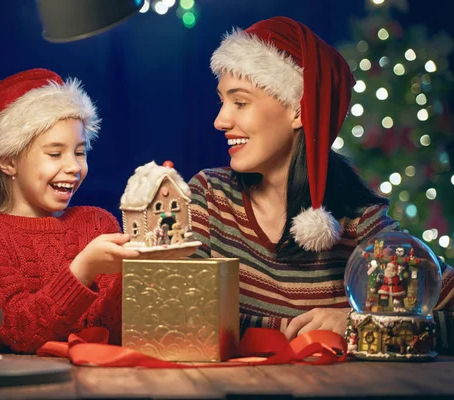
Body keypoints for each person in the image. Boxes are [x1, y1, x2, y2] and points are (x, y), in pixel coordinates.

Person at [187, 17, 454, 352]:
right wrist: (296, 333)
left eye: (240, 102)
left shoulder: (360, 224)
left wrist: (357, 325)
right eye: (222, 101)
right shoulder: (208, 199)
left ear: (299, 110)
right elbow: (184, 319)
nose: (220, 120)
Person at [0, 68, 140, 353]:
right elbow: (18, 331)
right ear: (8, 162)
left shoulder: (96, 224)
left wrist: (140, 273)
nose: (74, 167)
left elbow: (110, 327)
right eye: (54, 154)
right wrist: (84, 269)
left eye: (79, 151)